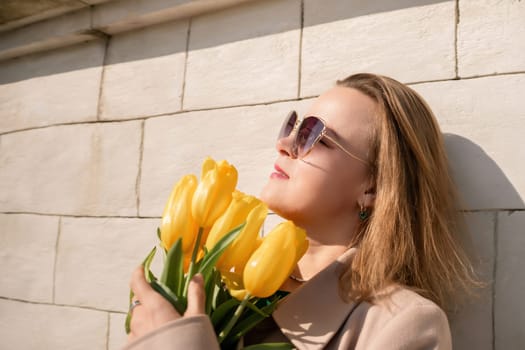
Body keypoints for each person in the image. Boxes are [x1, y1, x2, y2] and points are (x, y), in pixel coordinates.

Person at [124, 73, 478, 349]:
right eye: (294, 126)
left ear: (373, 187)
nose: (285, 144)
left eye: (316, 137)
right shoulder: (226, 280)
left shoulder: (404, 325)